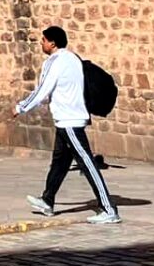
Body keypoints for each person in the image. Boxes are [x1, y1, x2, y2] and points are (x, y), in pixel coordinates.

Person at [16, 25, 119, 225]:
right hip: (68, 119)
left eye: (44, 40)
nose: (41, 43)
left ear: (52, 43)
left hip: (69, 121)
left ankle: (109, 209)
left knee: (87, 163)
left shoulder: (55, 61)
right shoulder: (73, 58)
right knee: (60, 162)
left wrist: (21, 107)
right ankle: (47, 200)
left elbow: (43, 89)